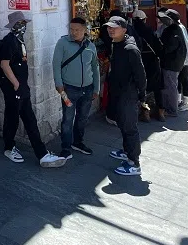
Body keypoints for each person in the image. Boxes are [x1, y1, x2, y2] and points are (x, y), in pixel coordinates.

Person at [0, 11, 64, 167]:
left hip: (21, 87)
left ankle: (42, 154)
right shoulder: (9, 42)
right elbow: (4, 64)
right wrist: (16, 84)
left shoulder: (19, 40)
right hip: (15, 88)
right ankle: (9, 147)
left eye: (24, 24)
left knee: (29, 119)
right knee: (13, 118)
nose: (23, 27)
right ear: (14, 26)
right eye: (20, 24)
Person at [103, 16, 147, 176]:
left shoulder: (130, 49)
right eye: (109, 27)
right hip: (118, 91)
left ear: (124, 29)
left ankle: (134, 162)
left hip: (128, 93)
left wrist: (142, 96)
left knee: (129, 127)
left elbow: (140, 75)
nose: (110, 29)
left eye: (114, 27)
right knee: (122, 123)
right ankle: (127, 150)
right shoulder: (117, 44)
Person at [52, 17, 100, 159]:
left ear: (85, 30)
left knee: (82, 118)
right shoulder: (62, 43)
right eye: (71, 29)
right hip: (69, 89)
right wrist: (58, 84)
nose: (73, 32)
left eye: (77, 30)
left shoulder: (91, 46)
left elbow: (95, 68)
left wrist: (96, 88)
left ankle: (78, 142)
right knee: (67, 119)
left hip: (88, 89)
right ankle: (65, 148)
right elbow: (56, 65)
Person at [131, 10, 164, 121]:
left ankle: (146, 113)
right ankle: (161, 112)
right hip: (152, 61)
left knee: (143, 88)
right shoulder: (150, 31)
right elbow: (159, 47)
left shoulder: (132, 32)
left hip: (139, 62)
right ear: (144, 19)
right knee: (157, 87)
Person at [157, 9, 186, 117]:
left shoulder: (174, 31)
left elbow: (169, 48)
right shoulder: (175, 29)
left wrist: (160, 50)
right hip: (174, 62)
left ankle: (172, 110)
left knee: (170, 86)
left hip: (172, 63)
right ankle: (168, 107)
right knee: (170, 85)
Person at [176, 14, 188, 112]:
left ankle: (184, 102)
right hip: (183, 58)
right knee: (180, 79)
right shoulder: (180, 27)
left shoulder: (179, 28)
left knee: (183, 79)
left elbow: (186, 43)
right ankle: (179, 100)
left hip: (183, 58)